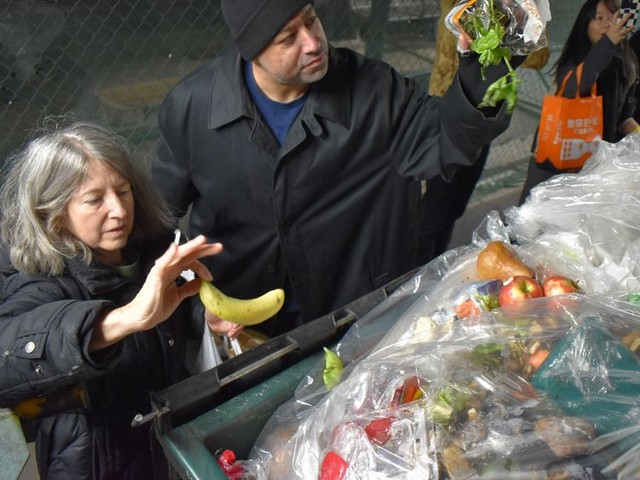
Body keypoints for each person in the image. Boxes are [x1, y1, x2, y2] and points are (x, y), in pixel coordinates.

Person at [152, 0, 525, 338]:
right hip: (241, 324)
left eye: (311, 21)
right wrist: (197, 301)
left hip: (351, 321)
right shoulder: (193, 108)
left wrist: (485, 71)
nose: (313, 42)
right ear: (253, 52)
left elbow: (447, 137)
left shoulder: (375, 92)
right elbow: (159, 218)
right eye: (288, 38)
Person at [0, 122, 237, 480]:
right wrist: (124, 319)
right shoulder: (43, 281)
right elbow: (8, 355)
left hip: (175, 453)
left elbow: (169, 329)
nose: (119, 211)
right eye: (95, 200)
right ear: (54, 215)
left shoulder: (155, 250)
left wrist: (204, 319)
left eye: (123, 192)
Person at [519, 0, 640, 205]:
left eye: (611, 19)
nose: (606, 25)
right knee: (533, 221)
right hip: (555, 163)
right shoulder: (574, 62)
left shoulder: (624, 65)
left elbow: (624, 117)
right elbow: (577, 88)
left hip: (593, 165)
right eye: (599, 18)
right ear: (585, 24)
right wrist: (608, 43)